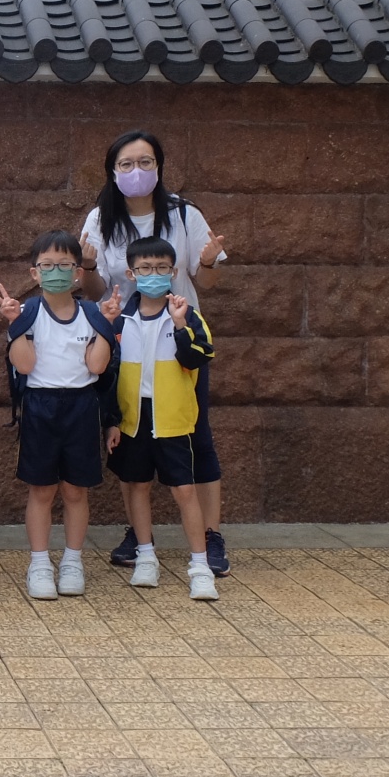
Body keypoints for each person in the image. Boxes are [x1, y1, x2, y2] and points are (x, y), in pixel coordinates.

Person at [80, 130, 231, 578]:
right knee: (130, 437)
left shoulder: (183, 214)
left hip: (176, 342)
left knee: (196, 436)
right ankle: (138, 535)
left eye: (145, 162)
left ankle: (211, 535)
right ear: (112, 171)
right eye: (126, 164)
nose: (137, 171)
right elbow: (92, 288)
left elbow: (206, 281)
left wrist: (208, 261)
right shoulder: (100, 219)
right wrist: (86, 265)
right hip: (126, 342)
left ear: (159, 167)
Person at [0, 231, 116, 601]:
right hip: (40, 406)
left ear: (77, 272)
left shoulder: (90, 313)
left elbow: (97, 366)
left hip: (81, 406)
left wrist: (107, 325)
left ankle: (73, 561)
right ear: (35, 272)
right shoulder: (28, 312)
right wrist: (14, 324)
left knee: (76, 489)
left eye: (64, 265)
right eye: (47, 265)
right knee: (42, 489)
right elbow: (25, 365)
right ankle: (40, 563)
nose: (56, 271)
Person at [104, 235, 221, 601]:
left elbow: (199, 357)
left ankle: (200, 566)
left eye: (161, 268)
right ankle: (145, 556)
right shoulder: (120, 319)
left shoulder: (188, 314)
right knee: (137, 485)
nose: (153, 274)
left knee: (184, 491)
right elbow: (107, 373)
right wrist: (112, 420)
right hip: (133, 419)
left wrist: (181, 325)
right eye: (145, 269)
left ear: (173, 272)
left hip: (173, 419)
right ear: (131, 274)